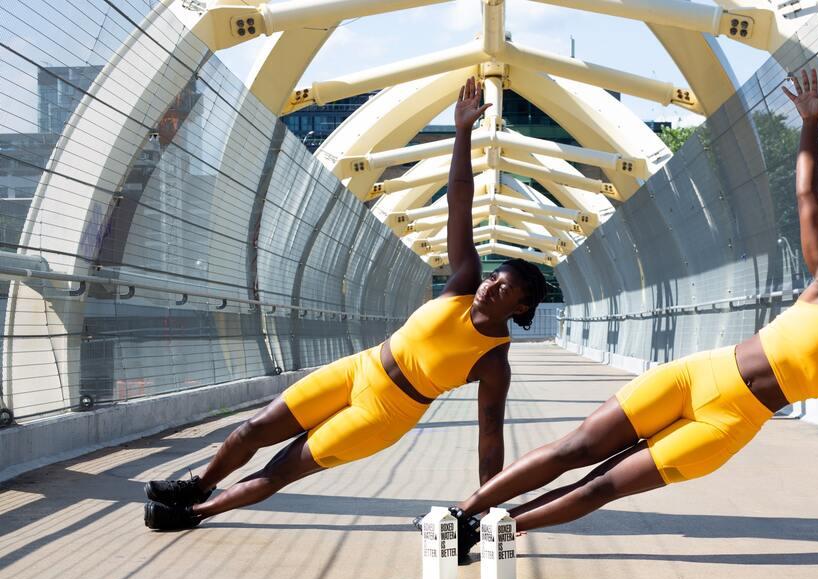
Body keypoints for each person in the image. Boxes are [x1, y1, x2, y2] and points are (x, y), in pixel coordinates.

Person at [442, 69, 818, 569]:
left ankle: (494, 531)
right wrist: (809, 124)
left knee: (601, 486)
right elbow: (808, 196)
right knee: (574, 449)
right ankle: (460, 515)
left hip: (726, 425)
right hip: (694, 376)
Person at [144, 76, 547, 551]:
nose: (488, 288)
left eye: (503, 291)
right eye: (492, 279)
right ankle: (197, 485)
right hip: (360, 367)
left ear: (520, 306)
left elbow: (489, 438)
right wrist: (461, 133)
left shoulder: (494, 362)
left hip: (383, 413)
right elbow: (459, 203)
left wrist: (484, 503)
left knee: (282, 467)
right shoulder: (462, 283)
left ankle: (194, 513)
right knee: (254, 429)